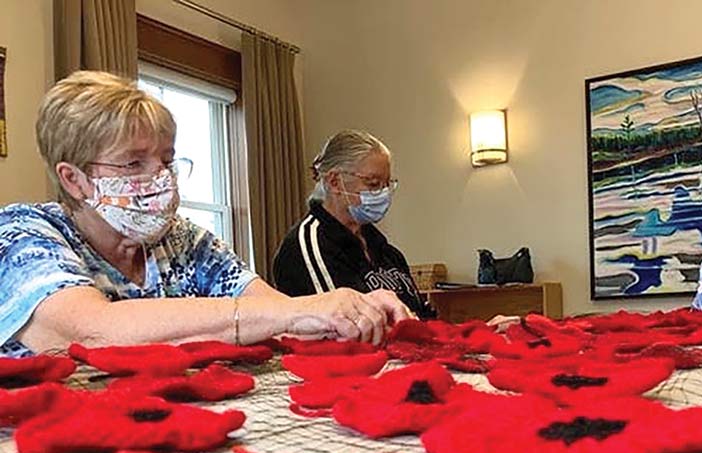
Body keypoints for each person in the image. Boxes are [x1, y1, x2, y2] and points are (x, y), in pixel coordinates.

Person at [0, 72, 412, 358]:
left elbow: (277, 312)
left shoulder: (182, 241)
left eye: (166, 159)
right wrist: (300, 311)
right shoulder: (23, 234)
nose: (161, 178)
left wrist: (348, 308)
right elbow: (93, 331)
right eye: (133, 163)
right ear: (74, 180)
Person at [273, 130, 437, 319]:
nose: (383, 193)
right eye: (373, 184)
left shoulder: (386, 251)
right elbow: (344, 325)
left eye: (386, 184)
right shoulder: (308, 246)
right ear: (335, 182)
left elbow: (420, 313)